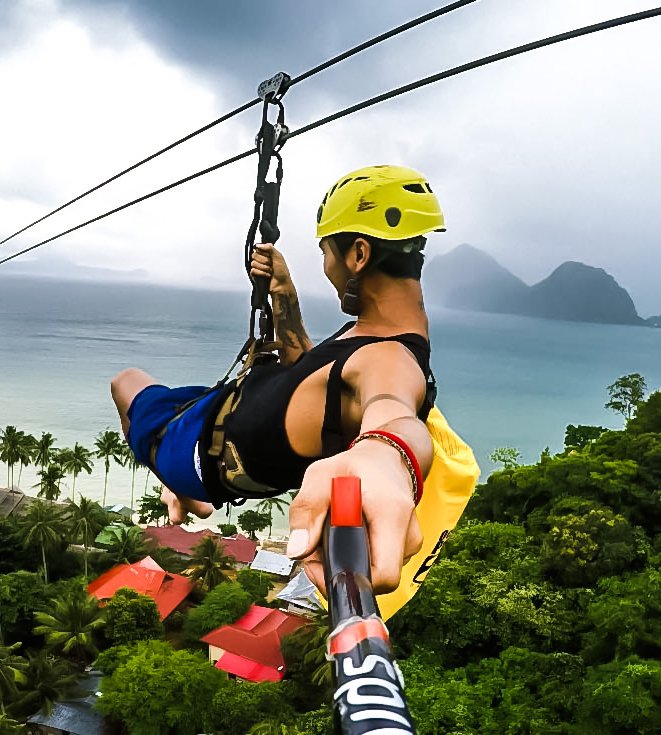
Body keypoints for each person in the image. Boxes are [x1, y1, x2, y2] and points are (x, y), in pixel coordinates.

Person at [111, 164, 444, 594]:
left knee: (125, 382)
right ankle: (184, 492)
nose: (325, 266)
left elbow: (394, 416)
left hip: (197, 451)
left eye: (326, 252)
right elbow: (311, 382)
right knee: (159, 391)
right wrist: (284, 292)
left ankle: (180, 488)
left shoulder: (389, 360)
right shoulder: (381, 329)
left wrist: (386, 459)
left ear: (358, 255)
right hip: (220, 405)